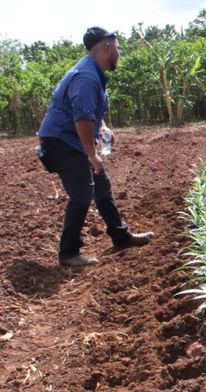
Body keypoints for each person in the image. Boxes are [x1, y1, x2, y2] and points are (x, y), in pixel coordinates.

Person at [37, 27, 153, 267]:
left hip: (69, 140)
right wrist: (91, 153)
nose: (119, 53)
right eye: (118, 48)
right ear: (107, 47)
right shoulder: (87, 77)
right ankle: (68, 253)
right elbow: (80, 119)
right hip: (62, 143)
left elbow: (91, 113)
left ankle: (120, 236)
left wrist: (103, 127)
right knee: (81, 195)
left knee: (102, 185)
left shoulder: (92, 73)